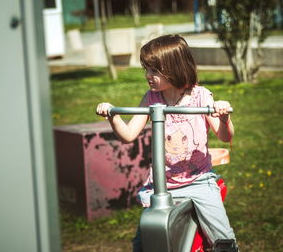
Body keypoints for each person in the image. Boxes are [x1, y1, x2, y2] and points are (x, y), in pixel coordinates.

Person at [96, 34, 239, 252]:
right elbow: (128, 134)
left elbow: (225, 136)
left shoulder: (200, 97)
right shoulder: (152, 98)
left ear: (174, 68)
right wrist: (112, 115)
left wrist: (223, 116)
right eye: (147, 69)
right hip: (163, 185)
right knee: (144, 242)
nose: (148, 75)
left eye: (154, 70)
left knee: (222, 239)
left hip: (198, 181)